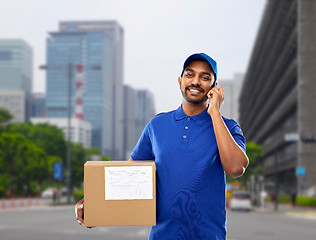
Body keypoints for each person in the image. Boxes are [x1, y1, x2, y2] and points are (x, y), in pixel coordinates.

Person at [75, 53, 249, 239]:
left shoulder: (228, 127)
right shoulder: (157, 125)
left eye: (205, 77)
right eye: (190, 75)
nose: (196, 81)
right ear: (180, 80)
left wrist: (214, 112)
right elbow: (128, 175)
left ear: (214, 87)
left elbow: (236, 168)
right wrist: (94, 204)